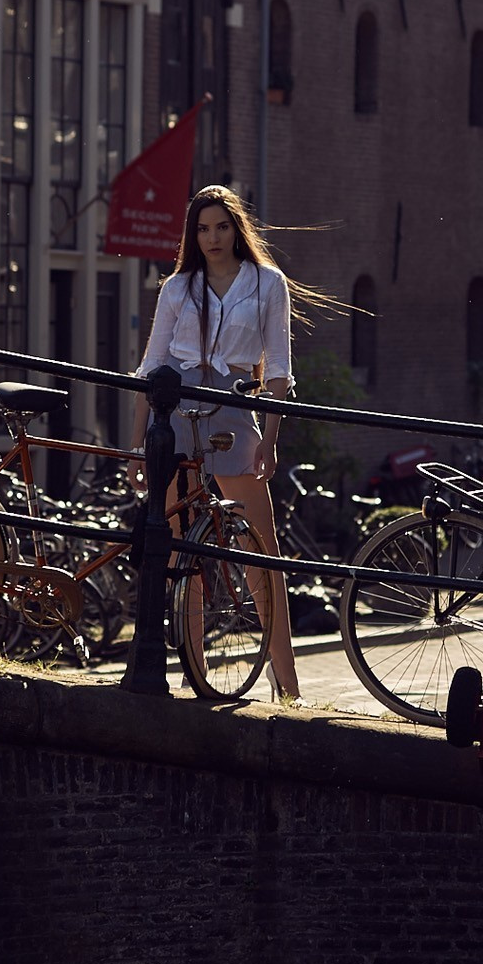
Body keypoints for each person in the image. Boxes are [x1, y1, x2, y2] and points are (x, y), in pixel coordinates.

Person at [129, 185, 310, 702]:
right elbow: (152, 364)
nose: (212, 238)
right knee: (178, 547)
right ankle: (195, 670)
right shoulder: (177, 287)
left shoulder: (268, 284)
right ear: (193, 234)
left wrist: (270, 441)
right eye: (203, 228)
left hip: (232, 406)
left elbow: (278, 368)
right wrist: (137, 444)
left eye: (222, 227)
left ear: (237, 229)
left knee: (262, 548)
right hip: (175, 409)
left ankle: (288, 684)